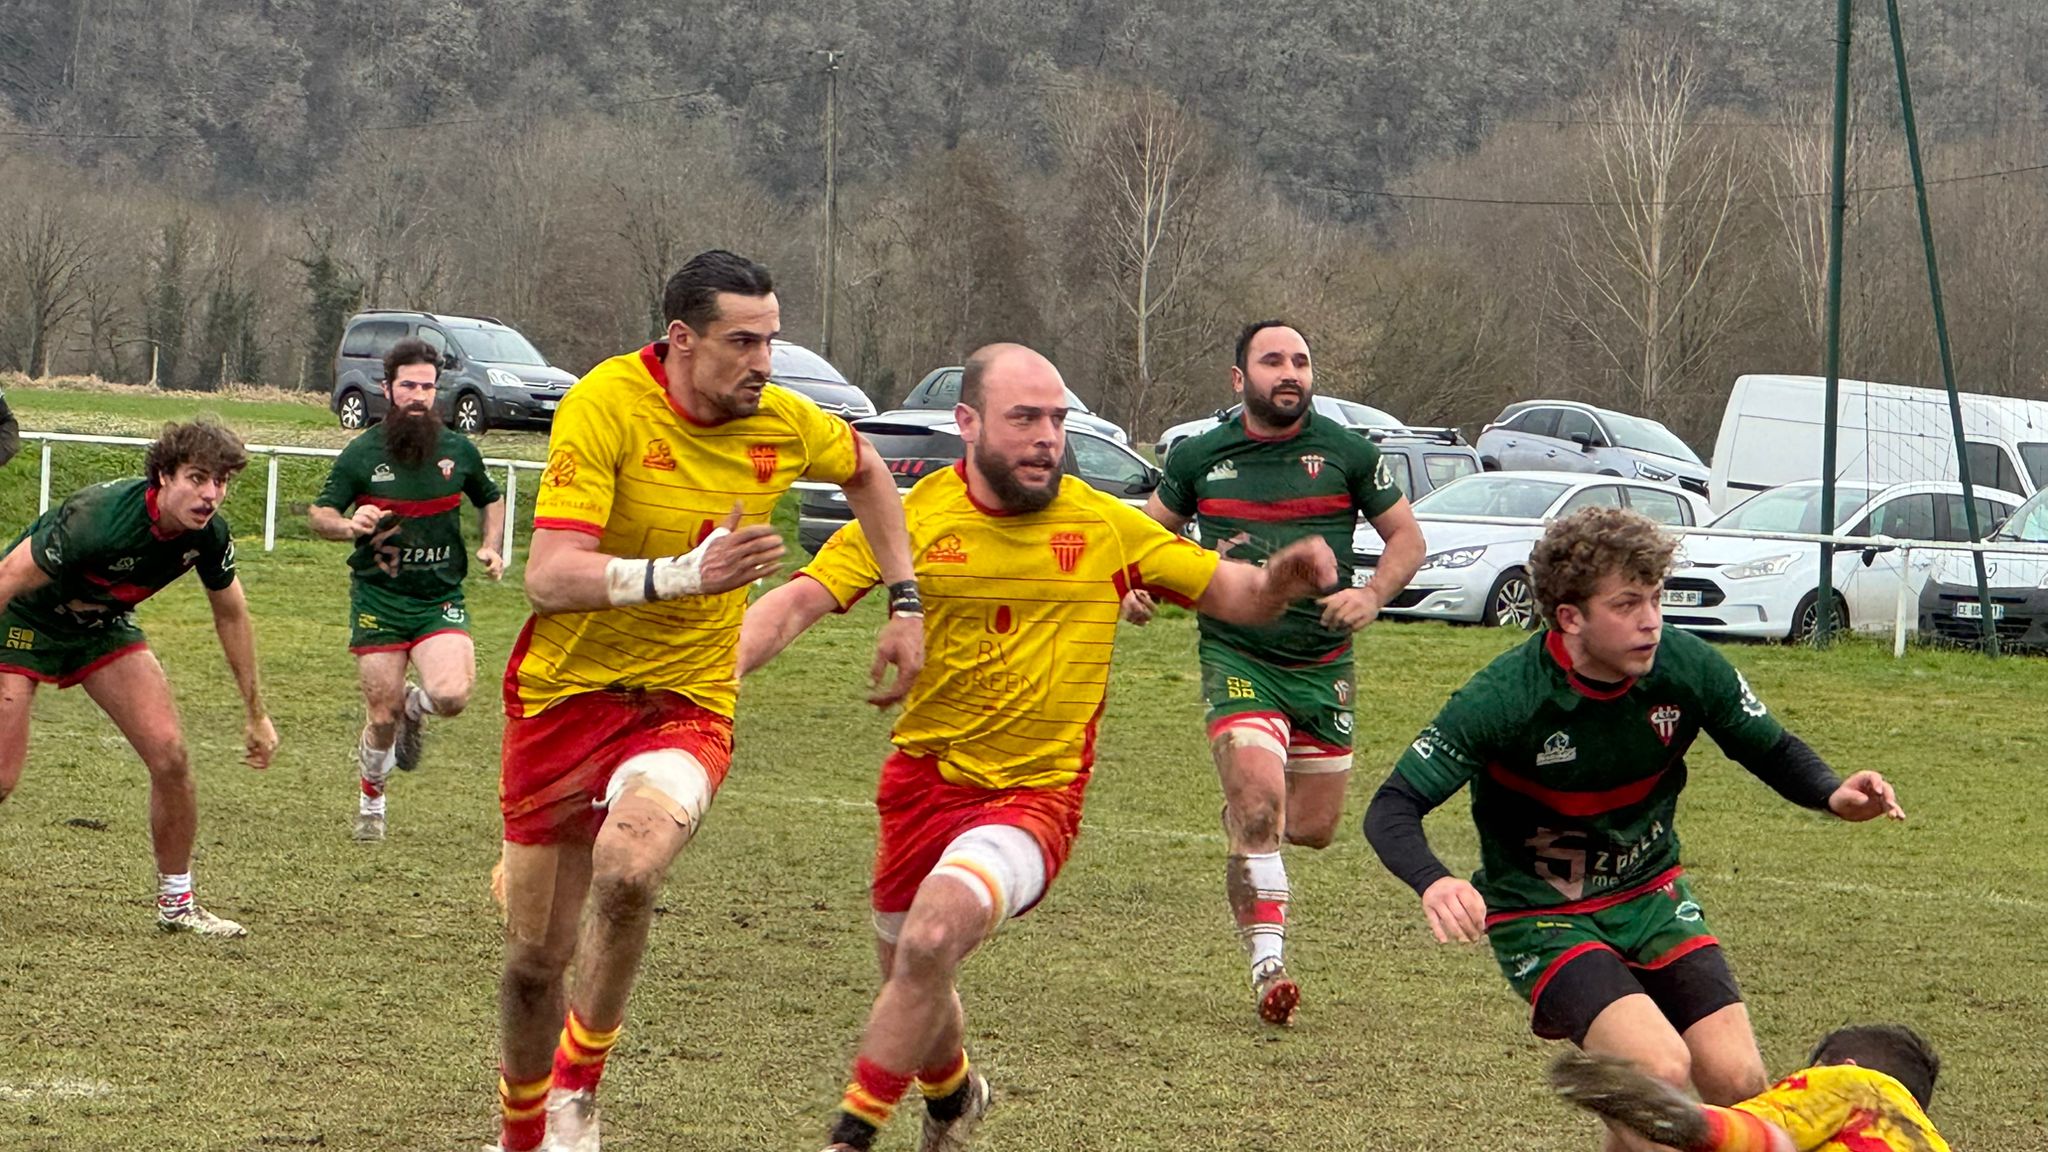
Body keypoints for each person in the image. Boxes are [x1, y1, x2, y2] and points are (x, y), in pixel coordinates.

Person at [739, 343, 1340, 1152]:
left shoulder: (1103, 525)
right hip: (919, 787)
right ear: (968, 422)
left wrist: (1280, 579)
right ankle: (953, 1097)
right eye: (1024, 418)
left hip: (1034, 801)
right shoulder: (914, 519)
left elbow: (1238, 594)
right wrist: (707, 676)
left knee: (931, 940)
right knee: (914, 975)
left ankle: (849, 1137)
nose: (1047, 437)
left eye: (1056, 419)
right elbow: (794, 604)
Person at [490, 249, 920, 1152]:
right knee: (533, 963)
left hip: (686, 701)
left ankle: (577, 1097)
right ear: (681, 339)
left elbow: (869, 473)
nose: (764, 362)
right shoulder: (605, 404)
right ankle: (522, 1134)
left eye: (771, 340)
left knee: (629, 868)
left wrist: (905, 599)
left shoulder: (784, 420)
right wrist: (684, 573)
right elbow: (549, 578)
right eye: (742, 342)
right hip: (564, 698)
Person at [1362, 506, 1906, 1152]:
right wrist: (1435, 881)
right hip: (1543, 915)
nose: (1651, 621)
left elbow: (1769, 747)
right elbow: (1391, 807)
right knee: (1658, 1072)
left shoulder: (1686, 667)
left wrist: (1831, 793)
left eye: (1656, 598)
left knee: (1740, 1082)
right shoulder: (1505, 698)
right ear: (1570, 617)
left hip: (1651, 897)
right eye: (1627, 605)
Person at [1126, 319, 1424, 1024]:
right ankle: (1269, 966)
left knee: (1312, 828)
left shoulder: (1349, 452)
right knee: (1261, 808)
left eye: (1300, 361)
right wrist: (1134, 584)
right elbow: (1145, 535)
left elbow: (1407, 538)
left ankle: (1247, 815)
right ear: (1240, 378)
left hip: (1323, 663)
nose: (1290, 372)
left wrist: (1371, 594)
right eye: (1272, 361)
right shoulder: (1200, 456)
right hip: (1238, 655)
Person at [0, 419, 278, 937]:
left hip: (101, 628)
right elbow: (7, 579)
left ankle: (178, 904)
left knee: (170, 755)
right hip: (23, 619)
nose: (211, 494)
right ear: (164, 476)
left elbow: (232, 615)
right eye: (197, 478)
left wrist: (256, 713)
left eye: (221, 481)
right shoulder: (97, 518)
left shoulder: (209, 535)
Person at [311, 336, 505, 841]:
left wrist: (491, 546)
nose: (418, 396)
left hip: (438, 598)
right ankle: (371, 802)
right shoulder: (362, 454)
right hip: (380, 600)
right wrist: (349, 525)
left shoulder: (458, 450)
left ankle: (416, 708)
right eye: (408, 386)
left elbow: (491, 498)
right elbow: (320, 514)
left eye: (427, 387)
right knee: (382, 716)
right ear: (387, 388)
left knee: (453, 696)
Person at [1551, 1023, 1949, 1151]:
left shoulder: (1858, 1084)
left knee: (1766, 1138)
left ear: (1841, 1066)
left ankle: (1696, 1122)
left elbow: (1768, 1120)